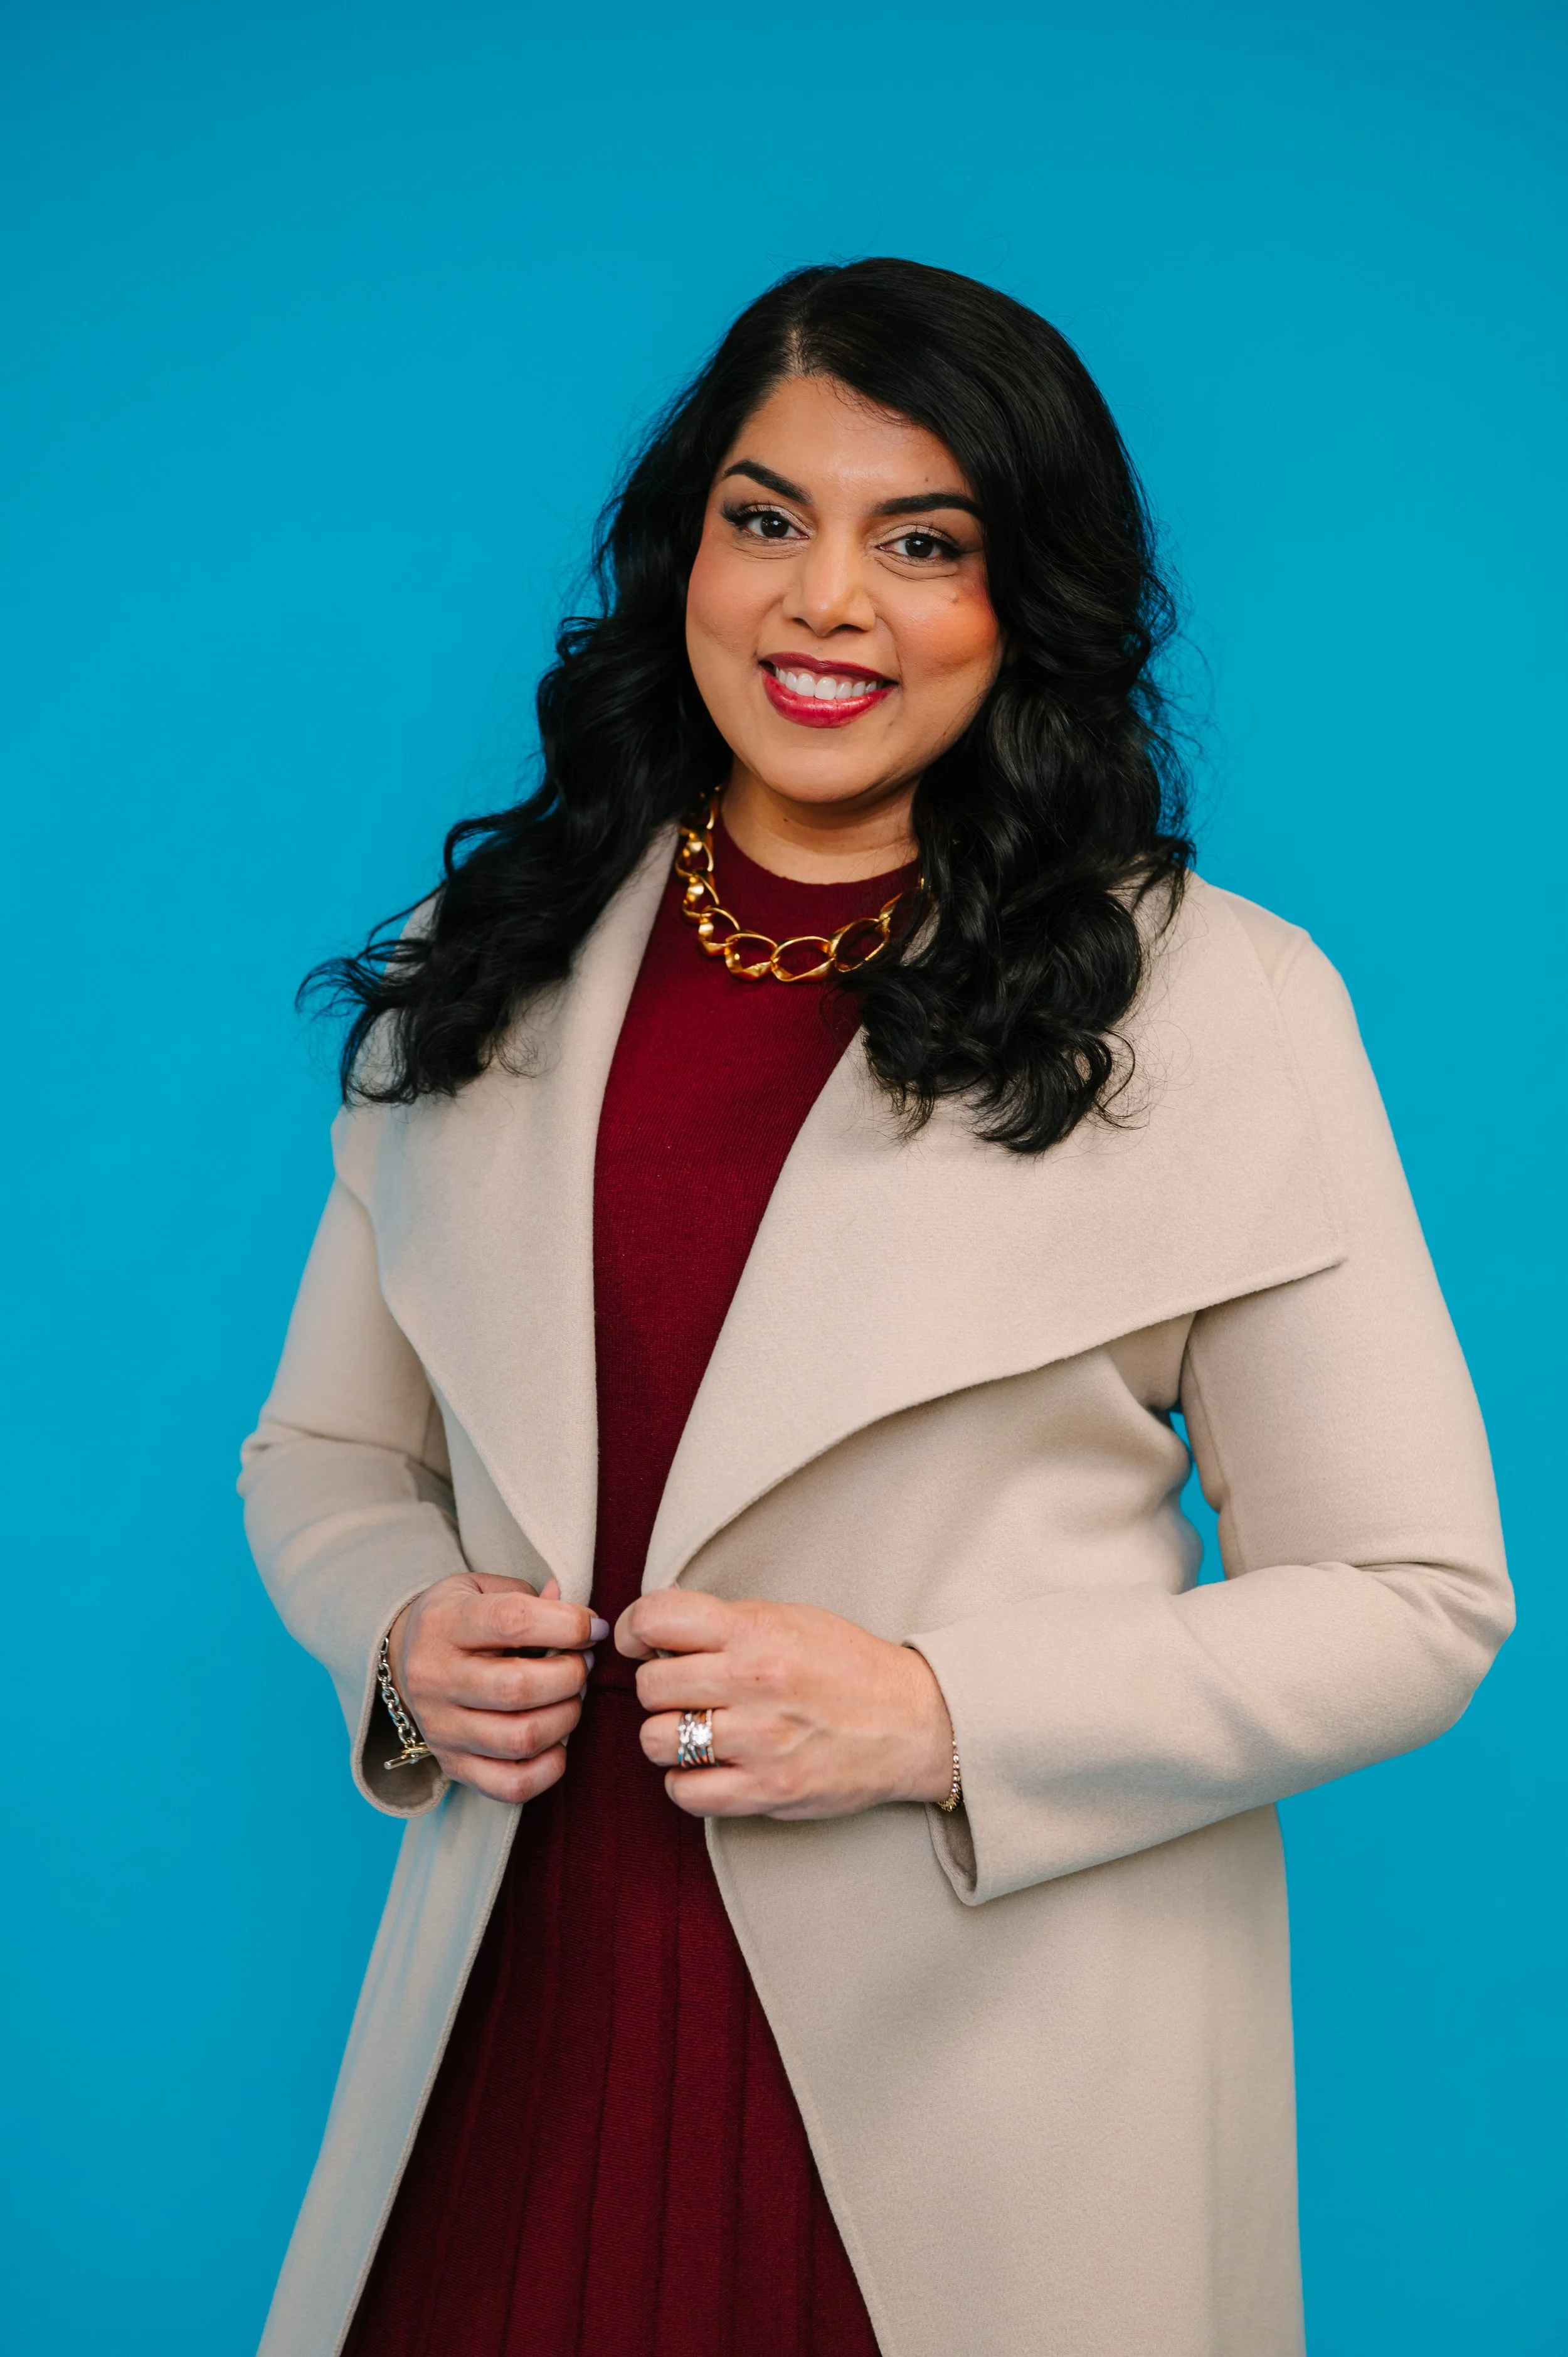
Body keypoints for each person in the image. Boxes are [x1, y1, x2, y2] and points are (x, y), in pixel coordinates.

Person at [240, 258, 1510, 2357]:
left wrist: (934, 1712)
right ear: (685, 556)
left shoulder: (1217, 999)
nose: (823, 603)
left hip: (986, 2083)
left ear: (1030, 600)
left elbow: (1411, 1592)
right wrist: (398, 1627)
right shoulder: (496, 941)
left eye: (922, 543)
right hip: (516, 2029)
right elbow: (326, 1452)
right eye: (767, 520)